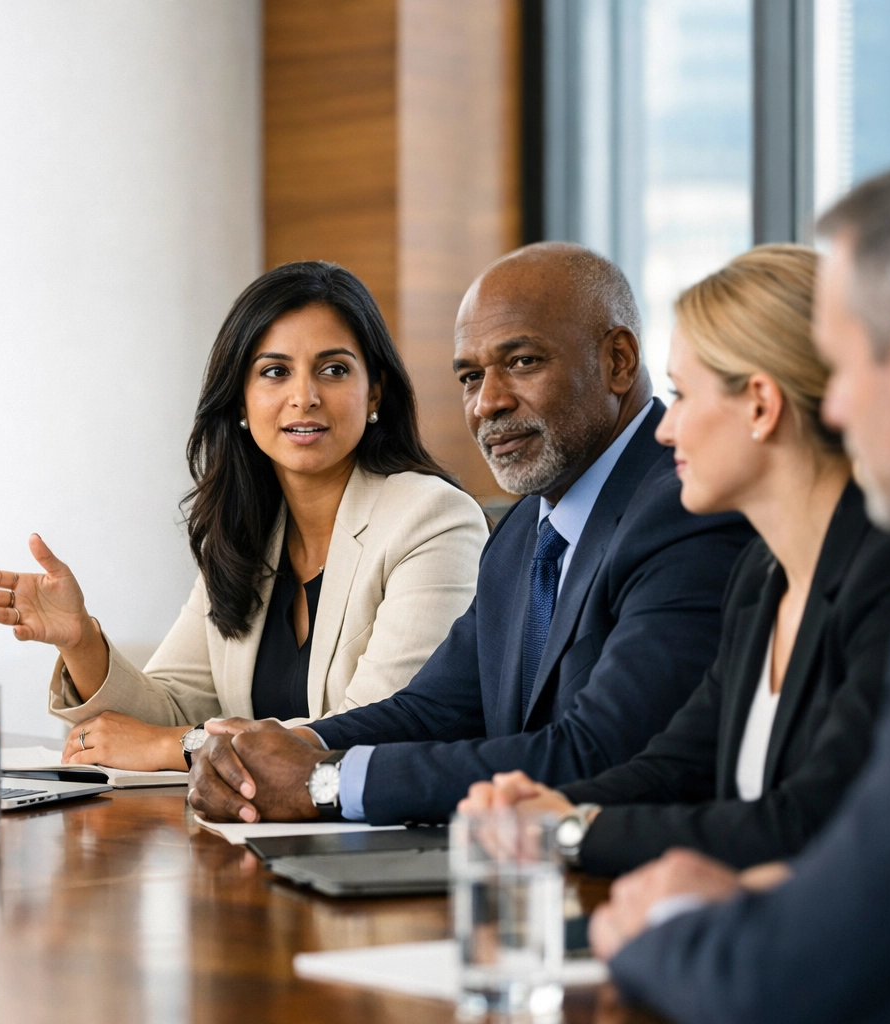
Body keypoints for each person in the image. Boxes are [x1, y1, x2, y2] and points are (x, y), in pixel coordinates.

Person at [594, 151, 890, 1023]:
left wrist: (662, 920)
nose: (839, 409)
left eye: (845, 369)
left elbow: (807, 961)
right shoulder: (760, 574)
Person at [186, 242, 755, 825]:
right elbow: (434, 710)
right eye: (470, 376)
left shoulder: (686, 508)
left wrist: (327, 782)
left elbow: (601, 753)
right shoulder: (522, 534)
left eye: (523, 362)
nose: (489, 403)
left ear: (618, 361)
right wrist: (281, 752)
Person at [455, 244, 890, 876]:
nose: (663, 428)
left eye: (683, 395)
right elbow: (677, 764)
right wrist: (540, 809)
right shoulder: (759, 579)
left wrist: (569, 832)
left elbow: (806, 819)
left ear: (762, 406)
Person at [0, 262, 487, 771]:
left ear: (374, 391)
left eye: (333, 370)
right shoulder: (247, 535)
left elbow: (383, 729)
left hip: (376, 846)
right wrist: (81, 640)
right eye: (275, 372)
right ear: (240, 399)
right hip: (254, 836)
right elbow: (165, 711)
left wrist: (182, 747)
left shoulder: (431, 518)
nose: (304, 397)